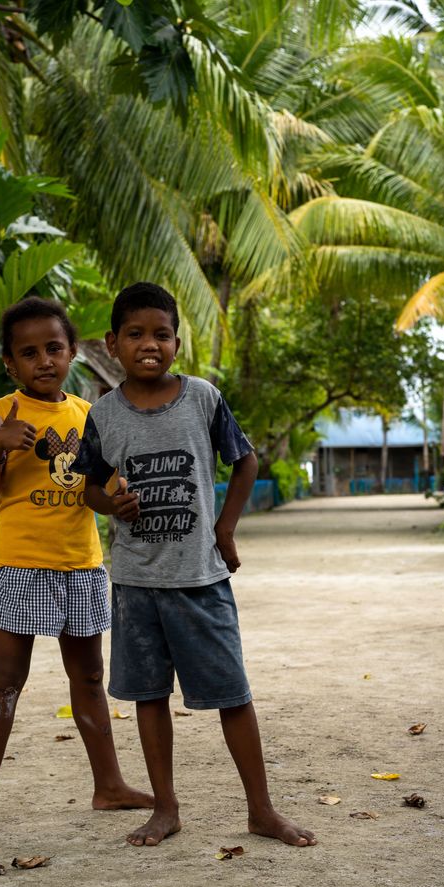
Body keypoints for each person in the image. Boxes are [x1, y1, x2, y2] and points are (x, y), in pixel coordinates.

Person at [72, 282, 317, 848]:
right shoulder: (103, 414)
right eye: (135, 334)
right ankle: (166, 808)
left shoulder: (203, 398)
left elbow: (245, 461)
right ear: (112, 343)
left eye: (161, 334)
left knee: (233, 694)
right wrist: (112, 503)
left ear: (176, 344)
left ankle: (262, 810)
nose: (149, 344)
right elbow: (89, 488)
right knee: (148, 696)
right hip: (135, 584)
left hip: (200, 579)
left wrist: (224, 528)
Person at [0, 296, 152, 841]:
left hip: (80, 564)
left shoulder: (89, 415)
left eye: (54, 348)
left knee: (88, 677)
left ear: (71, 352)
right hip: (18, 564)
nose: (44, 360)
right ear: (10, 363)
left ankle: (109, 786)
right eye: (29, 352)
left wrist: (119, 501)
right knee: (6, 681)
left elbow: (96, 492)